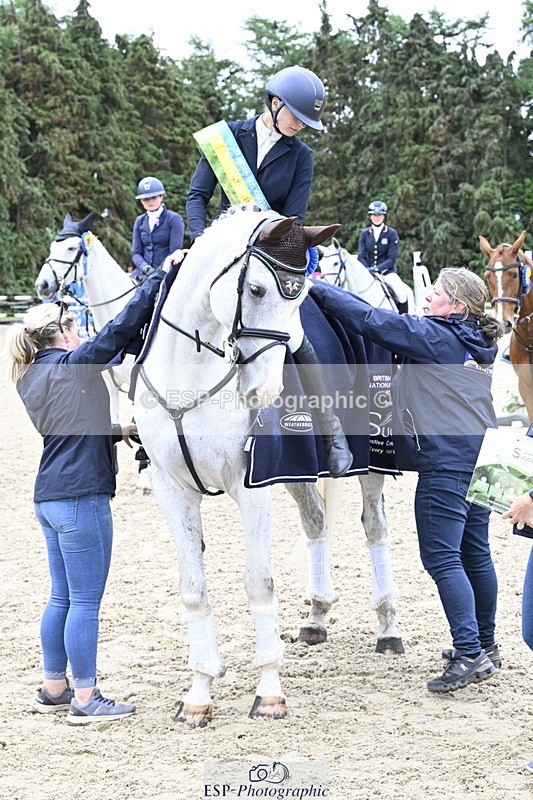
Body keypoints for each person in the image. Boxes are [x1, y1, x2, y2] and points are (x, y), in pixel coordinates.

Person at [5, 251, 184, 724]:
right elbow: (120, 330)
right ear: (61, 333)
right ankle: (85, 699)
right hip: (82, 494)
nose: (79, 332)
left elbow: (69, 424)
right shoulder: (74, 363)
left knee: (61, 597)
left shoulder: (29, 374)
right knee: (84, 601)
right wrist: (160, 277)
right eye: (73, 326)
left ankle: (54, 686)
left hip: (49, 494)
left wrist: (114, 431)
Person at [309, 265, 504, 691]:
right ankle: (486, 647)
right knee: (475, 554)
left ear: (455, 306)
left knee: (442, 558)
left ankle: (469, 652)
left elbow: (373, 321)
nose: (427, 298)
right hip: (482, 459)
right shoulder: (477, 343)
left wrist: (315, 288)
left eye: (435, 293)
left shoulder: (438, 336)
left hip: (447, 463)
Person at [186, 65, 352, 478]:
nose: (300, 125)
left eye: (306, 120)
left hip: (267, 253)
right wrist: (196, 243)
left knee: (299, 332)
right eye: (296, 115)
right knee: (161, 295)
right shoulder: (226, 139)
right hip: (218, 252)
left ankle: (332, 432)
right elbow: (197, 196)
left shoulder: (302, 157)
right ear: (274, 103)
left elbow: (293, 217)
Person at [358, 200, 409, 313]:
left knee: (401, 293)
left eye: (380, 215)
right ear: (370, 216)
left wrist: (376, 269)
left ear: (384, 216)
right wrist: (367, 270)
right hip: (368, 272)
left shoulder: (391, 233)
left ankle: (404, 319)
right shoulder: (365, 233)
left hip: (387, 273)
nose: (377, 217)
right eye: (374, 215)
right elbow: (361, 256)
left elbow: (392, 259)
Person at [131, 176, 185, 284]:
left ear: (161, 197)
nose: (150, 201)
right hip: (142, 274)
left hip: (165, 273)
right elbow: (136, 253)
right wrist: (145, 268)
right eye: (146, 198)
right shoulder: (139, 221)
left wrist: (158, 272)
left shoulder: (174, 219)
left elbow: (173, 252)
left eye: (154, 197)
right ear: (141, 201)